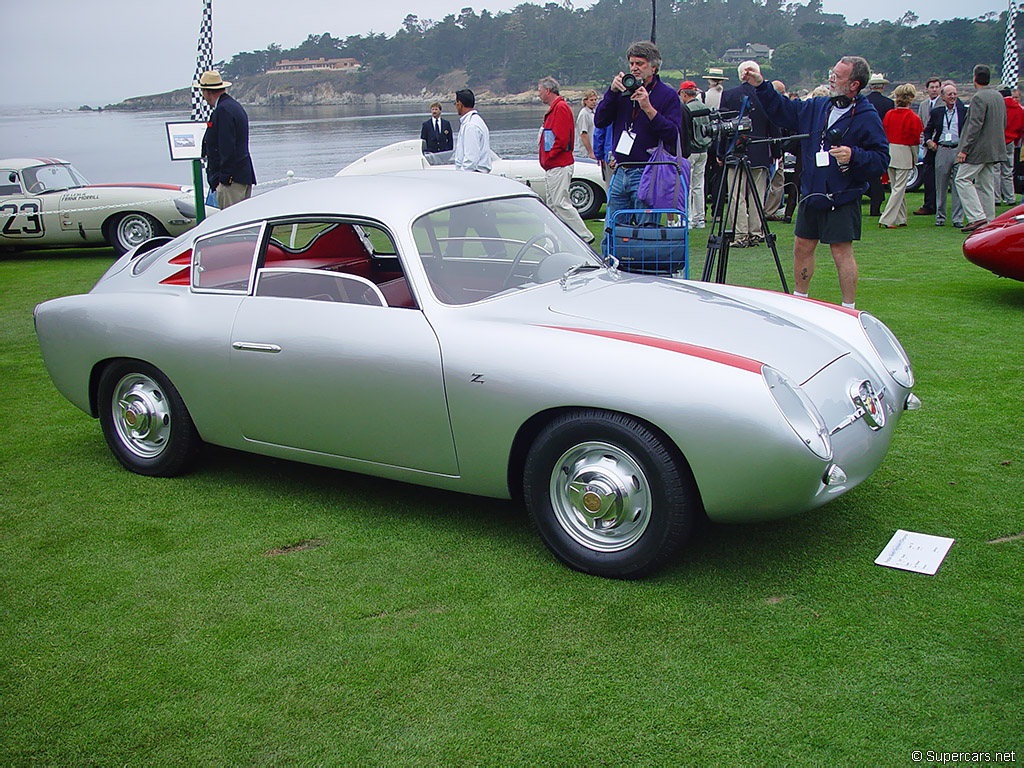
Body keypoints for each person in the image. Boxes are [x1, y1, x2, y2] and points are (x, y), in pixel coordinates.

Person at [741, 57, 888, 309]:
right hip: (812, 192)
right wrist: (760, 84)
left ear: (854, 84)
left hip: (842, 194)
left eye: (838, 76)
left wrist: (854, 156)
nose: (832, 78)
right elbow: (784, 111)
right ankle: (800, 302)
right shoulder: (819, 106)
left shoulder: (866, 115)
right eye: (833, 73)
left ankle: (848, 308)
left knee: (841, 252)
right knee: (802, 245)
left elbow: (881, 158)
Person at [593, 40, 682, 256]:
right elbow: (600, 120)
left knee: (645, 233)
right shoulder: (622, 92)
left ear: (654, 67)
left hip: (648, 171)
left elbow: (673, 134)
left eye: (640, 64)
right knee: (612, 230)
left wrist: (648, 108)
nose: (634, 68)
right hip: (621, 169)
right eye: (632, 63)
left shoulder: (666, 95)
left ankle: (644, 276)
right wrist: (612, 92)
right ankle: (610, 271)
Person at [718, 61, 778, 247]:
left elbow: (723, 127)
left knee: (736, 195)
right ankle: (756, 232)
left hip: (735, 150)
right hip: (760, 149)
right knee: (757, 194)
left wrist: (721, 152)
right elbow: (774, 125)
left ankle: (740, 234)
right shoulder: (767, 96)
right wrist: (776, 151)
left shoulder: (729, 95)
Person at [538, 77, 593, 242]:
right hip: (553, 165)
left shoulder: (560, 108)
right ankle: (552, 241)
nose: (539, 94)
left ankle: (584, 235)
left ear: (548, 90)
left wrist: (550, 156)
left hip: (559, 164)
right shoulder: (556, 108)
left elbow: (562, 139)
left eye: (540, 90)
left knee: (560, 203)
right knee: (553, 205)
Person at [955, 65, 1007, 232]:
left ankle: (977, 217)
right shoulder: (998, 96)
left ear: (975, 78)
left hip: (978, 149)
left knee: (962, 180)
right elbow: (1003, 122)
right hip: (994, 148)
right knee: (986, 185)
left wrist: (964, 149)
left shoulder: (979, 98)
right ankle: (989, 221)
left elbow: (974, 126)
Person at [197, 70, 256, 209]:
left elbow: (226, 147)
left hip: (232, 181)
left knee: (232, 224)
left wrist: (224, 179)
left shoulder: (223, 111)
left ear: (207, 92)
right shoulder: (233, 106)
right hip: (241, 175)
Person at [879, 84, 924, 228]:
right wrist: (915, 158)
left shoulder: (889, 114)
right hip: (903, 153)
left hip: (890, 151)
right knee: (899, 189)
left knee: (896, 188)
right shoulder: (913, 117)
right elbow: (914, 140)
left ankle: (901, 218)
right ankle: (886, 219)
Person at [924, 83, 967, 227]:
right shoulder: (937, 112)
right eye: (950, 94)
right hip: (942, 150)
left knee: (958, 185)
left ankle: (957, 219)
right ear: (943, 97)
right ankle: (940, 217)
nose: (953, 97)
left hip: (958, 149)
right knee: (941, 186)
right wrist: (929, 141)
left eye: (954, 94)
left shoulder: (963, 111)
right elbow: (928, 130)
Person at [679, 81, 710, 228]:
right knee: (699, 185)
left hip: (690, 150)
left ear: (684, 93)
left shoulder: (686, 109)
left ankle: (689, 218)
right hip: (703, 149)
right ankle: (700, 218)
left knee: (687, 185)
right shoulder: (705, 108)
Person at [864, 73, 894, 216]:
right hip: (879, 140)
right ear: (882, 86)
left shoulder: (864, 101)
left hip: (863, 140)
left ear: (870, 86)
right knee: (876, 175)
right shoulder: (888, 103)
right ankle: (875, 207)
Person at [913, 76, 943, 216]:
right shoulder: (924, 105)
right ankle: (929, 204)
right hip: (927, 144)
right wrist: (924, 141)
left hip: (941, 144)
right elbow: (921, 125)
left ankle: (937, 205)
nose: (935, 90)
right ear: (927, 89)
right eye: (932, 87)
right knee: (928, 175)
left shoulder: (943, 104)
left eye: (937, 87)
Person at [763, 80, 789, 219]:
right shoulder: (773, 109)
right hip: (773, 151)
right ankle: (770, 210)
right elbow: (776, 132)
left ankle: (772, 208)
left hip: (769, 150)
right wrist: (778, 152)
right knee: (776, 181)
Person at [452, 89, 492, 173]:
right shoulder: (476, 120)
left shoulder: (471, 125)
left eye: (456, 103)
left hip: (474, 174)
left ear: (460, 103)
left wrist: (462, 176)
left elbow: (471, 158)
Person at [998, 87, 1024, 204]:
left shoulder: (998, 106)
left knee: (995, 170)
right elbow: (1021, 127)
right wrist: (1016, 139)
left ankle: (995, 198)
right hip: (1011, 141)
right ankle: (1010, 198)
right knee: (1008, 171)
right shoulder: (1018, 108)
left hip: (997, 140)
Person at [576, 89, 599, 160]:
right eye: (591, 100)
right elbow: (583, 134)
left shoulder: (594, 113)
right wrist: (590, 152)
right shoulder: (584, 114)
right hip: (585, 153)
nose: (594, 102)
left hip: (594, 149)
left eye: (595, 100)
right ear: (585, 101)